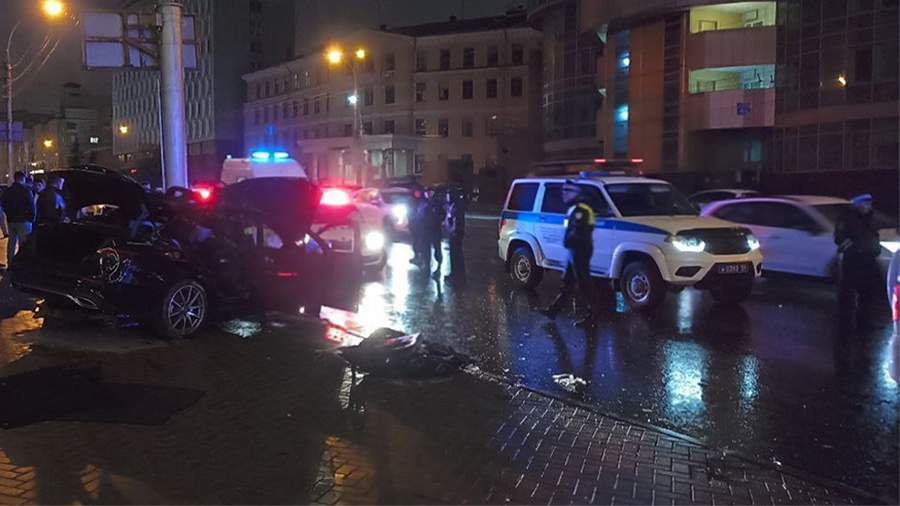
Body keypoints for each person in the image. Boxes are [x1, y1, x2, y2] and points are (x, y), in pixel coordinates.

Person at [541, 183, 599, 328]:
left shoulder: (581, 209)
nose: (563, 194)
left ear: (575, 193)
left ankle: (592, 316)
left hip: (579, 250)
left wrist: (568, 241)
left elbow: (579, 231)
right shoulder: (575, 208)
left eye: (567, 191)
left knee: (584, 283)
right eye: (563, 191)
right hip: (574, 250)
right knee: (568, 281)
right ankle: (553, 310)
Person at [834, 193, 882, 331]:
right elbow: (840, 239)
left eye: (869, 204)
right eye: (865, 204)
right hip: (853, 262)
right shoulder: (847, 218)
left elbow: (874, 236)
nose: (868, 206)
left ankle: (864, 323)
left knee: (867, 294)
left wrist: (875, 249)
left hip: (869, 261)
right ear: (857, 204)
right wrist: (856, 248)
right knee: (847, 294)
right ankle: (845, 325)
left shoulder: (871, 218)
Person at [0, 171, 36, 267]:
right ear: (23, 179)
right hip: (24, 220)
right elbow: (31, 206)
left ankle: (10, 263)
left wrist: (8, 214)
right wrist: (32, 218)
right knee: (23, 244)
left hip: (11, 220)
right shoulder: (26, 190)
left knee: (11, 243)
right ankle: (22, 265)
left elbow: (3, 204)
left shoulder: (8, 191)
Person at [444, 187, 467, 285]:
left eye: (449, 195)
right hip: (455, 233)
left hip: (456, 233)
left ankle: (457, 277)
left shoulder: (457, 206)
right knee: (455, 256)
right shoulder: (455, 205)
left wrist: (454, 231)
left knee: (456, 256)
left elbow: (456, 220)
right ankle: (456, 275)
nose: (447, 197)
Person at [424, 187, 445, 280]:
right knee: (426, 248)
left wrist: (437, 220)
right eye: (428, 192)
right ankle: (427, 266)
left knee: (437, 249)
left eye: (430, 192)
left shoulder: (437, 203)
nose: (429, 194)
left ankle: (438, 267)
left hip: (435, 230)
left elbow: (442, 214)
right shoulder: (425, 202)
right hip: (427, 230)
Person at [409, 188, 427, 267]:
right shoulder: (412, 202)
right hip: (414, 225)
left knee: (421, 243)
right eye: (416, 192)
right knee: (415, 242)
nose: (417, 194)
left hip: (421, 226)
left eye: (418, 192)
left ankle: (422, 258)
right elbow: (410, 213)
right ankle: (416, 256)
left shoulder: (423, 202)